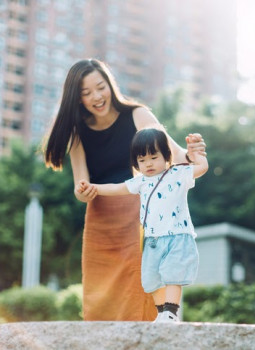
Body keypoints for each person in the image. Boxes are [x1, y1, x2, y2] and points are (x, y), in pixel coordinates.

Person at [44, 58, 207, 321]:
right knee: (99, 293)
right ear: (77, 99)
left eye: (100, 87)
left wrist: (194, 154)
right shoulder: (77, 132)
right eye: (86, 93)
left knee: (141, 284)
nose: (96, 96)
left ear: (110, 84)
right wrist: (82, 192)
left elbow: (175, 156)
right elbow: (80, 183)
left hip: (137, 214)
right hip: (99, 218)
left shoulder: (138, 115)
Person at [77, 127, 208, 322]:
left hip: (177, 236)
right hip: (152, 240)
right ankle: (162, 313)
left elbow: (202, 168)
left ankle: (171, 313)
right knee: (151, 278)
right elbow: (117, 187)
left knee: (173, 274)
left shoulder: (178, 174)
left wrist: (196, 154)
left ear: (166, 156)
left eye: (153, 157)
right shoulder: (140, 182)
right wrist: (94, 187)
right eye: (142, 160)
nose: (148, 164)